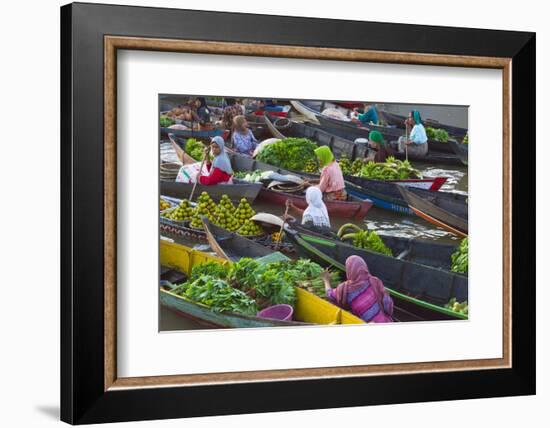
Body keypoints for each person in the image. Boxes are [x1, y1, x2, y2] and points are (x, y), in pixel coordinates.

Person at [321, 255, 394, 323]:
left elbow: (329, 295)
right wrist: (386, 294)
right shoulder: (374, 281)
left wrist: (326, 280)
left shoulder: (345, 289)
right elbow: (387, 305)